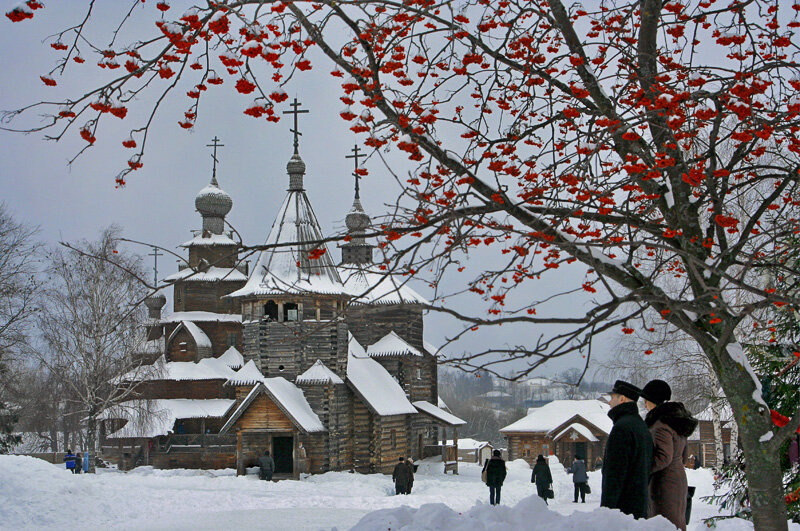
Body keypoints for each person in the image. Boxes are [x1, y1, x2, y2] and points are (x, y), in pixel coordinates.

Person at [641, 379, 698, 531]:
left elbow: (663, 457)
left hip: (664, 484)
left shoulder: (660, 425)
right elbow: (684, 458)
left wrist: (643, 470)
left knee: (664, 525)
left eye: (646, 401)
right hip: (679, 480)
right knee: (677, 522)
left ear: (653, 401)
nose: (645, 405)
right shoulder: (676, 422)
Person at [601, 380, 653, 520]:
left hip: (622, 512)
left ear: (622, 398)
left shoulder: (621, 428)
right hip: (639, 507)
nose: (609, 403)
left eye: (612, 398)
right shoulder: (641, 426)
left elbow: (615, 474)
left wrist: (606, 512)